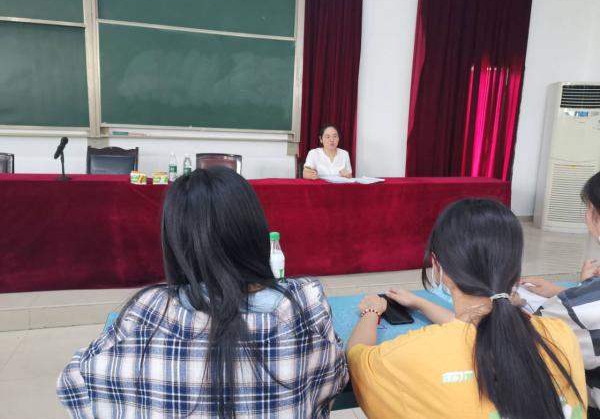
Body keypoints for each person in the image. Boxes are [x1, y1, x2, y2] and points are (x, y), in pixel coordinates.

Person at [57, 167, 348, 418]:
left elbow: (72, 384)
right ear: (254, 231)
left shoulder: (148, 309)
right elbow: (334, 380)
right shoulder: (305, 305)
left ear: (174, 240)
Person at [347, 199, 586, 419]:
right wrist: (420, 303)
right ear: (514, 268)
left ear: (438, 267)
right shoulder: (561, 336)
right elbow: (477, 327)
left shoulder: (409, 355)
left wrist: (372, 311)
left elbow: (357, 357)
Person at [521, 171, 600, 418]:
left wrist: (505, 304)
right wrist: (574, 290)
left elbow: (521, 341)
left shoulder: (576, 308)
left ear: (594, 215)